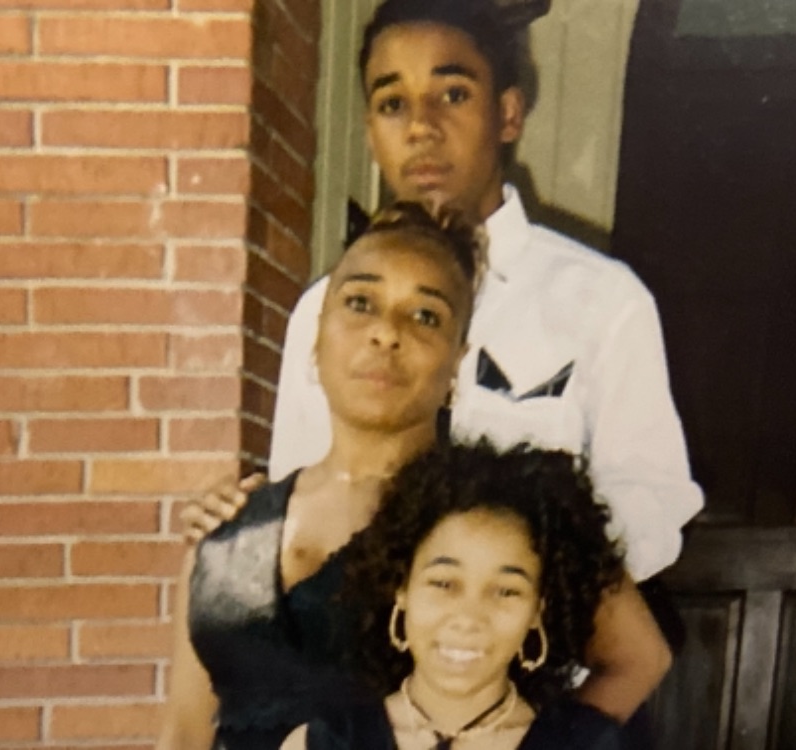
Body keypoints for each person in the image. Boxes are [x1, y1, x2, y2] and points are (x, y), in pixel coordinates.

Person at [265, 0, 704, 586]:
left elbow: (652, 499)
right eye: (393, 103)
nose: (420, 127)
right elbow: (296, 491)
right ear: (370, 133)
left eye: (452, 95)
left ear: (508, 114)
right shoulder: (328, 310)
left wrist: (531, 571)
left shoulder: (602, 301)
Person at [157, 202, 485, 750]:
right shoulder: (233, 526)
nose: (386, 332)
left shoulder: (492, 516)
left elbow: (632, 660)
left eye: (426, 316)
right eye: (360, 303)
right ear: (317, 339)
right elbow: (184, 731)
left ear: (457, 362)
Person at [281, 440, 631, 750]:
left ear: (537, 610)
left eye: (506, 591)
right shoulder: (320, 744)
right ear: (402, 590)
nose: (468, 618)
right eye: (444, 584)